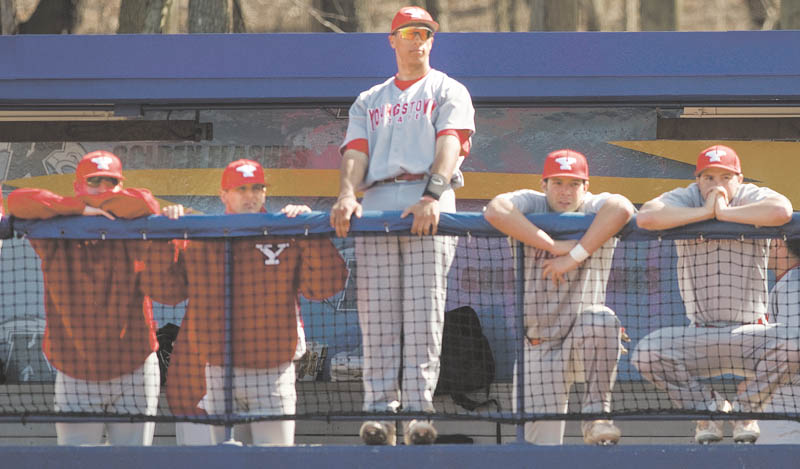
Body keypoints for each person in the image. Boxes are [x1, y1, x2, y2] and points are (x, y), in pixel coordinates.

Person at [329, 5, 475, 446]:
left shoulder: (448, 87)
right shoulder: (370, 98)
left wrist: (432, 194)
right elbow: (355, 152)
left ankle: (417, 412)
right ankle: (378, 410)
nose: (418, 40)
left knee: (423, 314)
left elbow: (450, 143)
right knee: (377, 314)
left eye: (426, 33)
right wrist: (348, 193)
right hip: (377, 200)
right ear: (392, 40)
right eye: (409, 33)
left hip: (427, 197)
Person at [159, 159, 348, 446]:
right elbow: (167, 292)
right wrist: (166, 237)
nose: (250, 195)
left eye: (256, 188)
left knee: (275, 460)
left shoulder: (287, 229)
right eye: (241, 189)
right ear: (224, 195)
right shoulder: (201, 237)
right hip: (220, 370)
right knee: (226, 461)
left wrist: (311, 232)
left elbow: (325, 287)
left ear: (265, 193)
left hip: (272, 370)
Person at [632, 144, 798, 444]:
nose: (716, 185)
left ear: (739, 178)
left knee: (796, 344)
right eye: (708, 178)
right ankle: (709, 408)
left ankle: (746, 408)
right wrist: (706, 212)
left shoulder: (751, 194)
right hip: (700, 335)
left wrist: (723, 212)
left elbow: (782, 211)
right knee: (646, 354)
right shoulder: (688, 196)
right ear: (698, 179)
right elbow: (646, 218)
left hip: (752, 333)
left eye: (725, 177)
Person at [7, 150, 169, 446]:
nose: (104, 188)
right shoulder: (56, 228)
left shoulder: (130, 222)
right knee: (76, 463)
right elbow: (18, 200)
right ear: (78, 185)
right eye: (95, 182)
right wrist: (77, 209)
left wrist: (95, 204)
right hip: (76, 371)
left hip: (133, 366)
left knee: (133, 465)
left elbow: (146, 202)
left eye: (111, 182)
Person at [484, 149, 634, 445]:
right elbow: (495, 210)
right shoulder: (532, 202)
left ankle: (597, 417)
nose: (566, 192)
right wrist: (552, 246)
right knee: (536, 452)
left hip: (582, 341)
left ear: (586, 186)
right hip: (540, 345)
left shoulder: (594, 206)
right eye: (558, 183)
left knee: (602, 319)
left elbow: (622, 208)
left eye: (574, 184)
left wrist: (574, 256)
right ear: (544, 184)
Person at [756, 237, 800, 444]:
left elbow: (794, 348)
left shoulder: (794, 283)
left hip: (789, 410)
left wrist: (755, 384)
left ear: (778, 243)